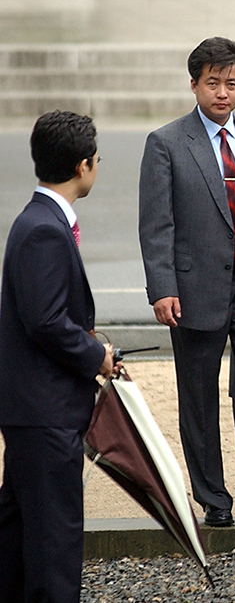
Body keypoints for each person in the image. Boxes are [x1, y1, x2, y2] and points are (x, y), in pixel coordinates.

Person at [139, 37, 235, 527]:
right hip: (193, 287)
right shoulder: (166, 142)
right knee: (198, 395)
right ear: (194, 85)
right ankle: (213, 499)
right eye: (213, 83)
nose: (223, 92)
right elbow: (156, 223)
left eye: (232, 83)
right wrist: (163, 287)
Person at [0, 111, 117, 602]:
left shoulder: (39, 219)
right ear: (83, 165)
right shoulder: (45, 229)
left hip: (32, 405)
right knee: (53, 534)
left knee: (18, 524)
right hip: (43, 408)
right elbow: (45, 321)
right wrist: (97, 355)